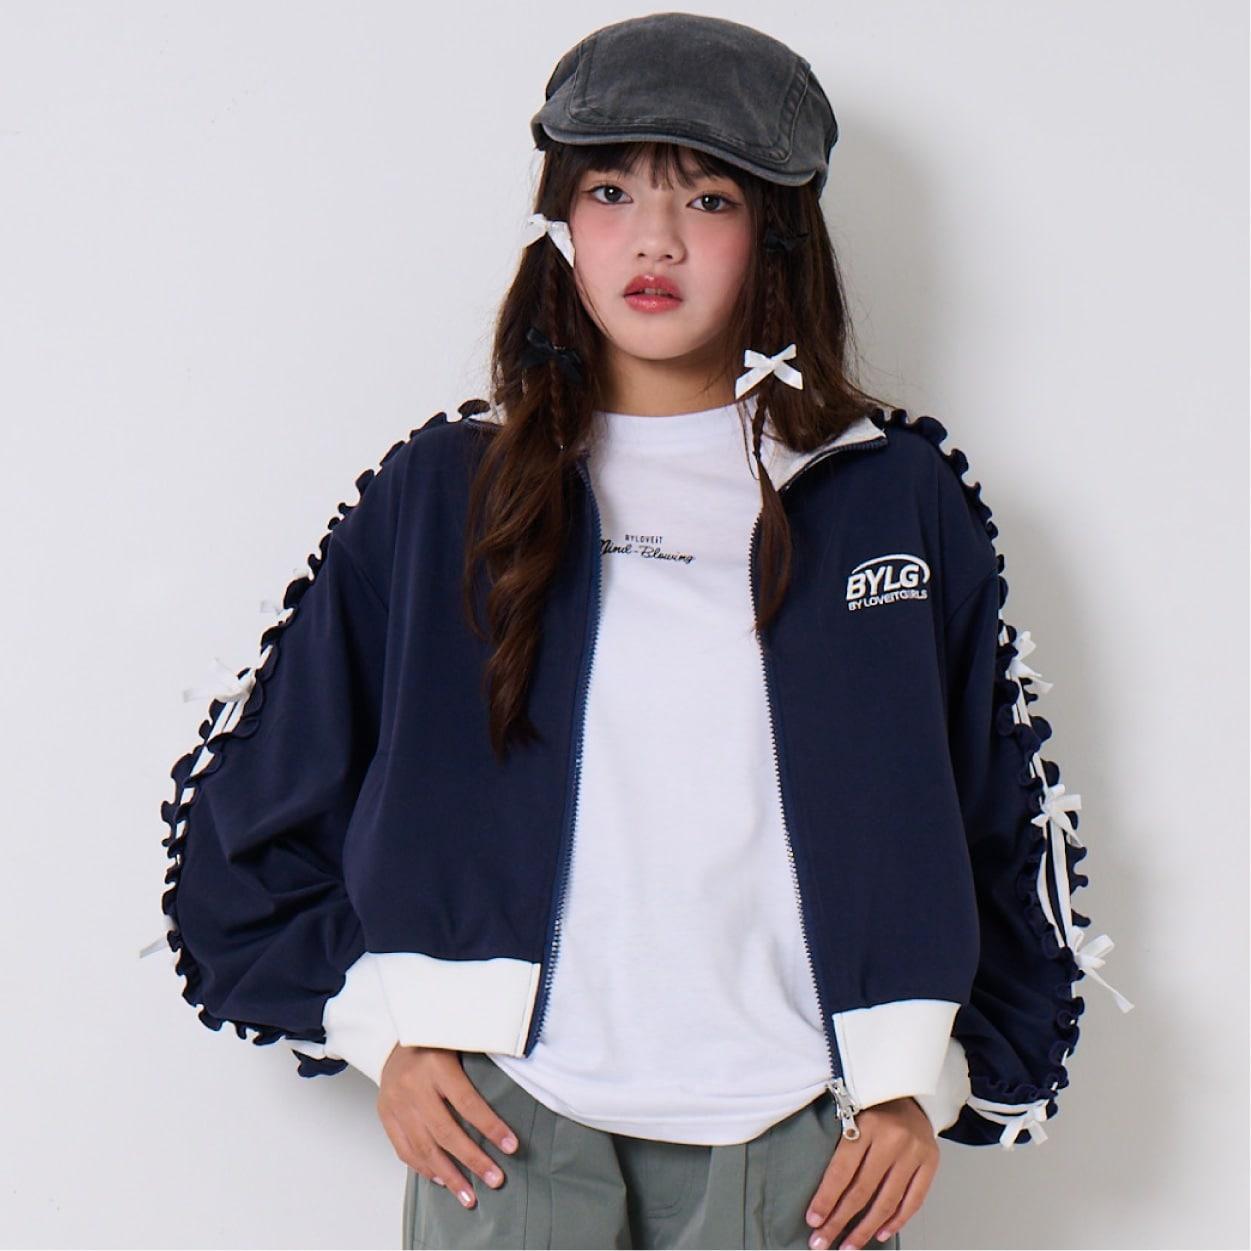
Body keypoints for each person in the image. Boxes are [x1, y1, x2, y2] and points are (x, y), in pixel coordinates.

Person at [141, 13, 1133, 1250]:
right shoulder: (446, 492)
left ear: (776, 234)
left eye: (708, 200)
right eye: (611, 192)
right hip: (503, 1122)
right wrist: (381, 1028)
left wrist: (926, 1078)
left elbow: (998, 808)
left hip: (809, 1136)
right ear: (560, 223)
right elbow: (247, 804)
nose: (655, 241)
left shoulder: (892, 496)